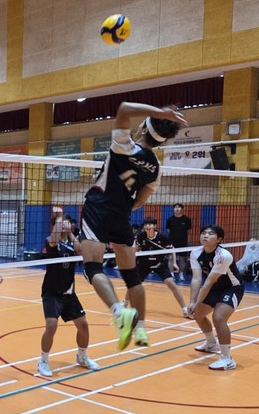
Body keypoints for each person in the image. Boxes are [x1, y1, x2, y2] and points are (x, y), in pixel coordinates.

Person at [79, 102, 187, 351]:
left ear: (144, 128)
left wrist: (161, 113)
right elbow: (139, 202)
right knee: (132, 277)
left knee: (93, 267)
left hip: (98, 208)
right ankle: (140, 329)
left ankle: (120, 313)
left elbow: (125, 107)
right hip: (122, 216)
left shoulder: (123, 145)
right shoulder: (156, 169)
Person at [38, 208, 100, 377]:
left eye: (67, 222)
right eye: (61, 223)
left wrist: (71, 233)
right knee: (51, 326)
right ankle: (43, 360)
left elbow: (80, 251)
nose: (66, 224)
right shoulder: (50, 241)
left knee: (83, 325)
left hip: (69, 292)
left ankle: (82, 357)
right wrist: (59, 217)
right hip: (52, 292)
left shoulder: (72, 242)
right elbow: (54, 239)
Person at [188, 225, 244, 370]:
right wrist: (192, 302)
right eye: (203, 233)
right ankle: (212, 343)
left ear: (219, 239)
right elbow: (196, 279)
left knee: (219, 318)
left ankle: (227, 359)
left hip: (232, 288)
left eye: (210, 234)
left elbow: (209, 281)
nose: (205, 236)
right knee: (197, 314)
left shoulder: (223, 255)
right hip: (214, 288)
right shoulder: (195, 253)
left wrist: (197, 302)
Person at [133, 217, 189, 318]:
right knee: (134, 284)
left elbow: (172, 249)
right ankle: (125, 303)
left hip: (160, 264)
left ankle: (184, 308)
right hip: (144, 264)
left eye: (150, 224)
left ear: (155, 226)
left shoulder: (162, 237)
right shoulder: (141, 236)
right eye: (146, 225)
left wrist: (174, 263)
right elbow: (137, 249)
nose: (147, 226)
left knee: (172, 284)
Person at [166, 203, 192, 281]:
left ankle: (181, 274)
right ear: (173, 209)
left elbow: (189, 231)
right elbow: (168, 230)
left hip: (182, 241)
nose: (177, 209)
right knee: (171, 257)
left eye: (179, 207)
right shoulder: (170, 219)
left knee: (182, 258)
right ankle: (171, 274)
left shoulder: (187, 219)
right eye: (175, 207)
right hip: (172, 241)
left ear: (182, 209)